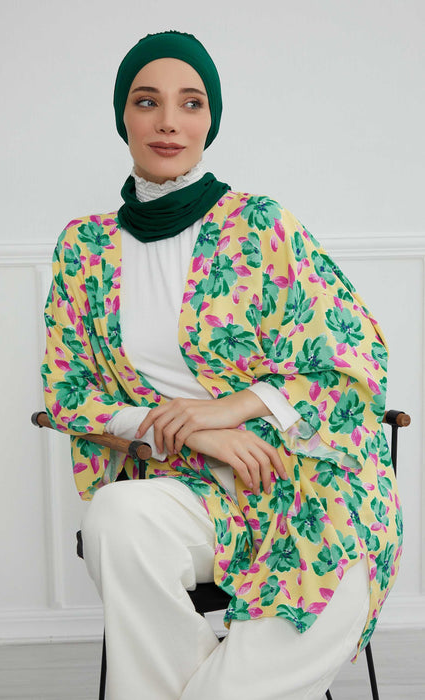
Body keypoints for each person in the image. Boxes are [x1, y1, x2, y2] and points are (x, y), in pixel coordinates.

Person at [41, 30, 402, 700]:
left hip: (303, 477)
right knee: (116, 518)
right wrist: (190, 432)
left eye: (191, 103)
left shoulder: (261, 224)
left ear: (211, 119)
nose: (169, 121)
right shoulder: (84, 246)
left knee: (330, 576)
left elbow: (354, 357)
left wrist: (227, 411)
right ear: (122, 116)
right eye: (147, 101)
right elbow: (67, 394)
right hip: (185, 483)